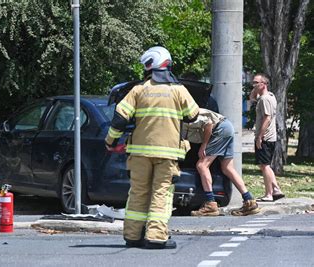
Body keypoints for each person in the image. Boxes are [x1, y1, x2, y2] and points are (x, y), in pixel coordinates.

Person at [105, 46, 199, 249]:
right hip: (167, 154)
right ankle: (156, 237)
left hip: (139, 153)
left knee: (138, 192)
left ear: (149, 67)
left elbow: (119, 119)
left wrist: (110, 141)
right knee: (161, 193)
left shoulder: (138, 90)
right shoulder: (178, 90)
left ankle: (132, 236)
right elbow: (193, 115)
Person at [184, 108, 260, 216]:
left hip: (220, 129)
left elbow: (208, 124)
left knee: (202, 165)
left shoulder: (186, 115)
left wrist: (204, 145)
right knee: (227, 168)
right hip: (226, 126)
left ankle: (211, 204)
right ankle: (249, 201)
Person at [249, 73, 284, 202]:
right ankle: (276, 189)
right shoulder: (268, 96)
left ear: (263, 84)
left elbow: (267, 118)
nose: (253, 85)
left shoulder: (265, 99)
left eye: (256, 83)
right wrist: (255, 88)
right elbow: (251, 97)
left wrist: (259, 136)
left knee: (265, 166)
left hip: (265, 138)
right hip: (268, 137)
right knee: (264, 165)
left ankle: (269, 194)